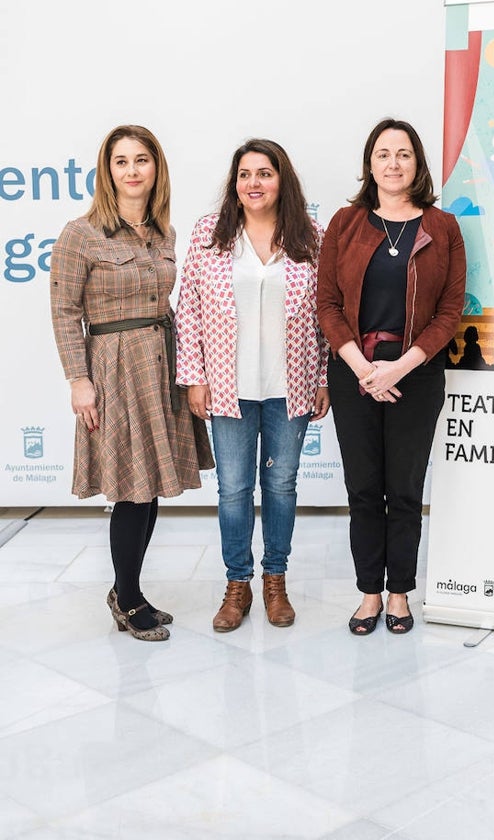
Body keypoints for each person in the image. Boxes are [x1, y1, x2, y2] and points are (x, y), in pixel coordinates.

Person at [50, 125, 214, 642]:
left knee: (152, 485)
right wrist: (79, 381)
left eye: (141, 160)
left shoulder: (163, 231)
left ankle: (131, 593)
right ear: (108, 171)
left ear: (155, 168)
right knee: (131, 487)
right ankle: (126, 597)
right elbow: (63, 310)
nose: (132, 170)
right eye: (121, 162)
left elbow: (169, 304)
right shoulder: (81, 233)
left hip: (160, 364)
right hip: (114, 368)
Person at [317, 118, 465, 636]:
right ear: (370, 164)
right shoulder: (345, 223)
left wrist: (402, 365)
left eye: (404, 154)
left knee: (404, 490)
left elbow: (450, 311)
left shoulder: (442, 227)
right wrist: (362, 368)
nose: (394, 163)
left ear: (417, 164)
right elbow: (328, 305)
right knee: (363, 490)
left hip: (416, 375)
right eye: (383, 154)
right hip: (354, 374)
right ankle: (369, 594)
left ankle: (400, 593)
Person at [176, 139, 328, 632]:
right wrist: (194, 377)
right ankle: (237, 584)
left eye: (264, 173)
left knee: (281, 486)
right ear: (234, 183)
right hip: (226, 386)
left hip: (293, 386)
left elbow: (328, 315)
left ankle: (275, 581)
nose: (254, 183)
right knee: (234, 490)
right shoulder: (209, 234)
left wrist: (323, 378)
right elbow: (190, 312)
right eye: (245, 174)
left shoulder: (311, 237)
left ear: (282, 180)